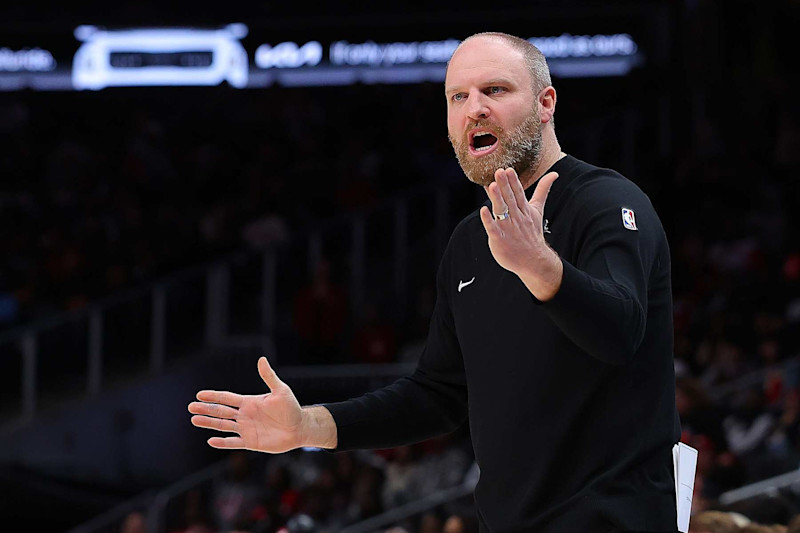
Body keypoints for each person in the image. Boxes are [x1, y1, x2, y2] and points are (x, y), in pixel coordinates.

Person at [189, 31, 682, 533]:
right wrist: (308, 426)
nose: (475, 109)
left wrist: (538, 264)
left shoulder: (607, 202)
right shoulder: (469, 241)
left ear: (545, 103)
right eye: (458, 97)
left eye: (495, 90)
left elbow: (622, 331)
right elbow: (438, 395)